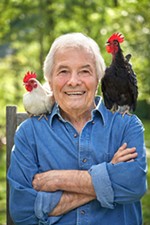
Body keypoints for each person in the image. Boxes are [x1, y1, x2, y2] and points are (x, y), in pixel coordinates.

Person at [7, 32, 147, 225]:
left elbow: (133, 185)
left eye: (85, 71)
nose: (74, 81)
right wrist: (109, 176)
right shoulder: (28, 134)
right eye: (63, 71)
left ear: (99, 79)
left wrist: (57, 180)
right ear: (50, 80)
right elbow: (22, 211)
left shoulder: (127, 125)